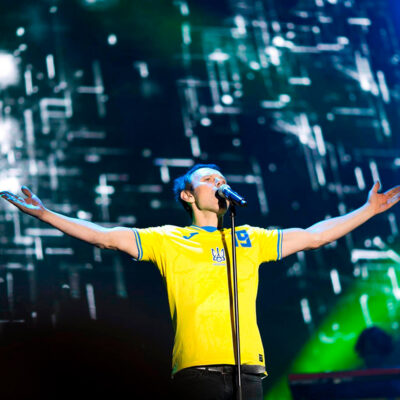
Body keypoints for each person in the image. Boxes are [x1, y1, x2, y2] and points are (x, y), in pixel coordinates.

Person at [1, 163, 399, 400]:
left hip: (249, 370)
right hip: (197, 370)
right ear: (189, 196)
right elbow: (104, 236)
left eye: (223, 178)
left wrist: (367, 211)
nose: (219, 183)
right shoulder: (167, 239)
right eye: (210, 179)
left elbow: (314, 236)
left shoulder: (250, 239)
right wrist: (47, 215)